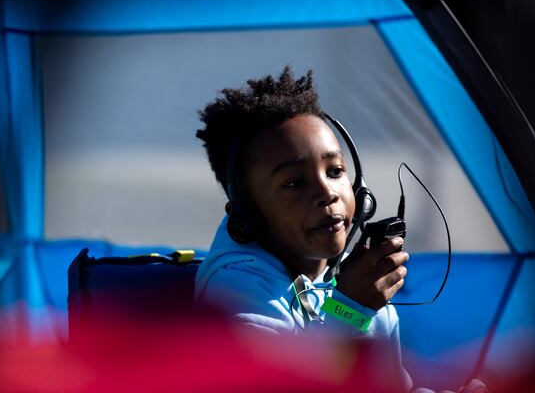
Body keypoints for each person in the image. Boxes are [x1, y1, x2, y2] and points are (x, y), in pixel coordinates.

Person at [193, 66, 487, 393]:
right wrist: (349, 312)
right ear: (249, 214)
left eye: (334, 171)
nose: (327, 193)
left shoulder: (352, 281)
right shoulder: (237, 295)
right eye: (294, 183)